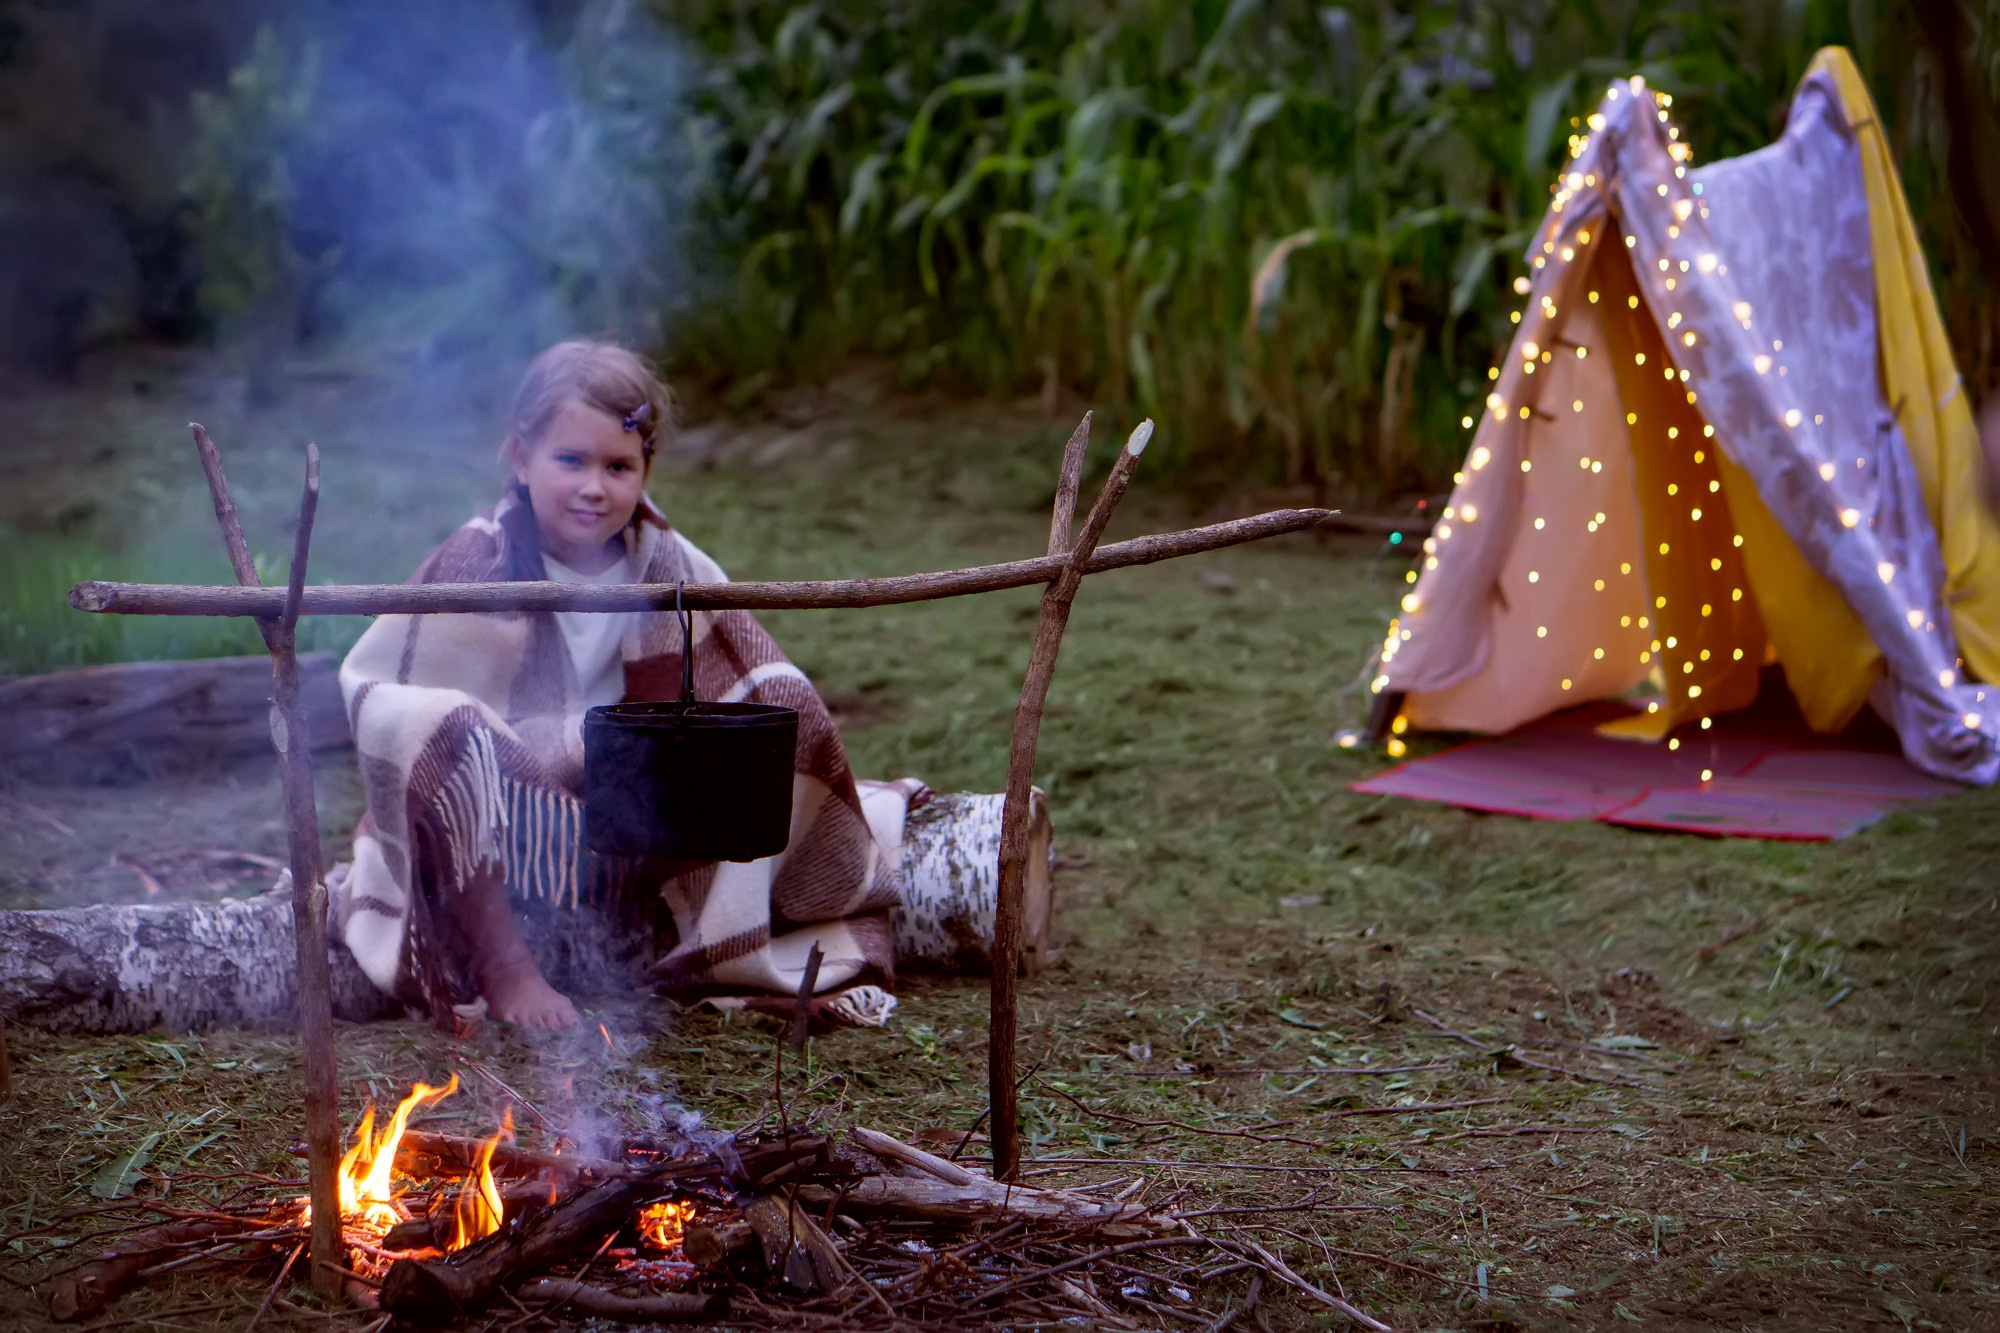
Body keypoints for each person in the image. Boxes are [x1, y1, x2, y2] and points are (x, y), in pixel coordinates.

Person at [334, 341, 926, 1029]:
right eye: (570, 461)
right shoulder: (480, 558)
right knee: (452, 739)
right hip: (506, 808)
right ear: (521, 459)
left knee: (774, 702)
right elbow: (388, 687)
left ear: (646, 469)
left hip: (630, 797)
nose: (595, 486)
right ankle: (506, 965)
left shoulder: (666, 560)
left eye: (618, 466)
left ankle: (705, 931)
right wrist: (469, 739)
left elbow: (737, 659)